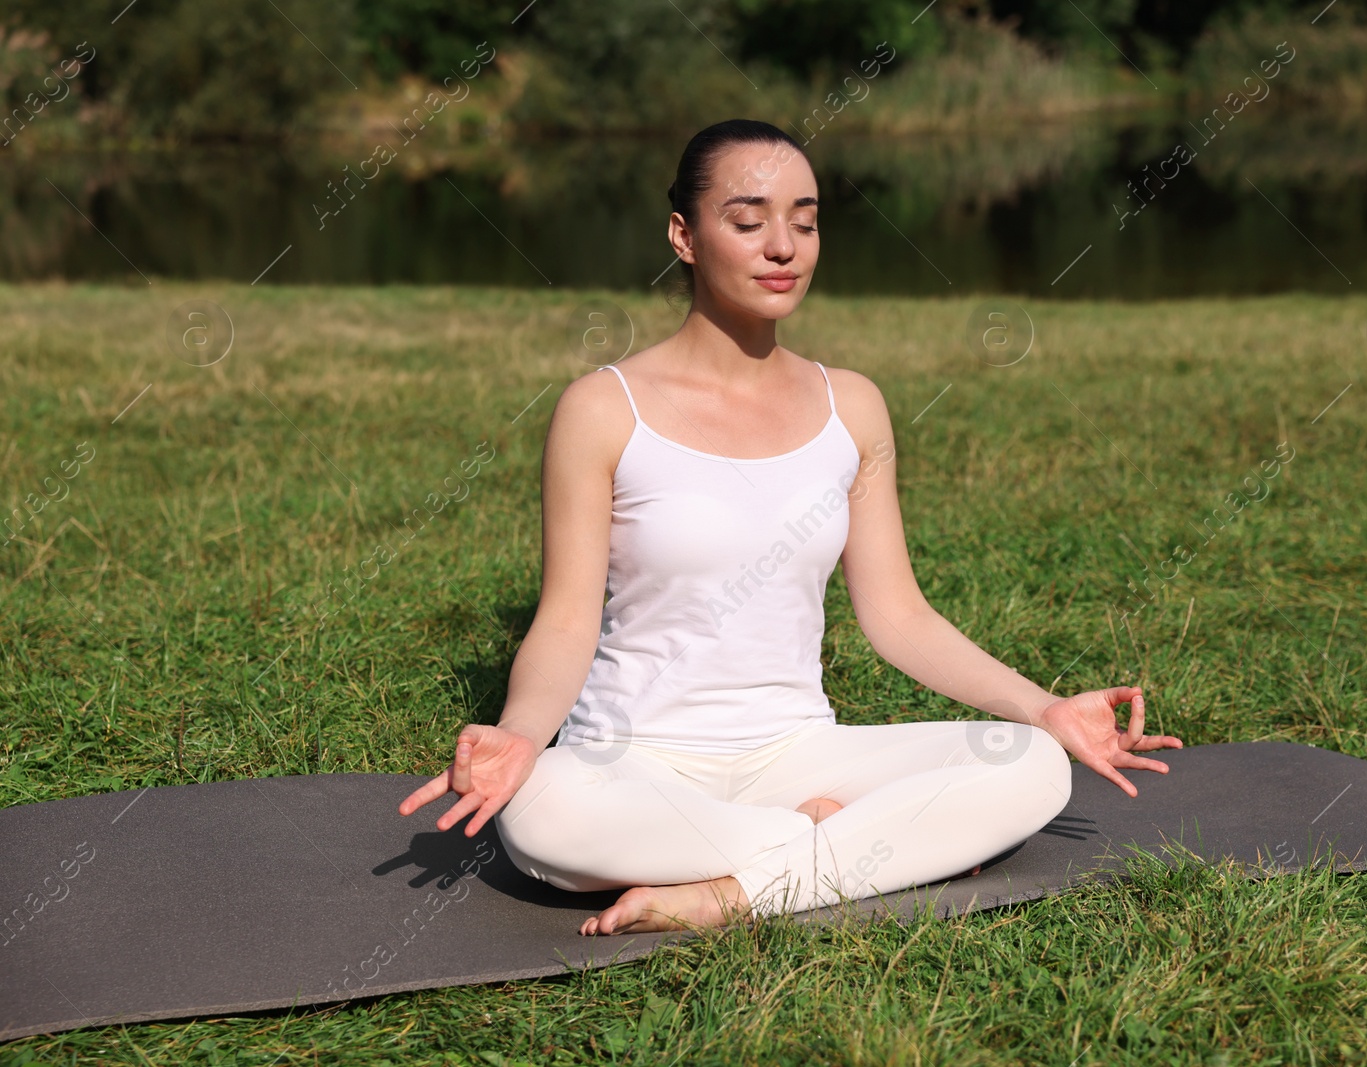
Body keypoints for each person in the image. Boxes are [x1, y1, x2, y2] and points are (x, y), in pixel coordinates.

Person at [399, 119, 1183, 936]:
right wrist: (522, 735)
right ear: (685, 236)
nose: (784, 247)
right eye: (748, 221)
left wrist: (1044, 708)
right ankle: (842, 846)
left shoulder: (853, 406)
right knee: (541, 814)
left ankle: (734, 892)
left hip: (796, 754)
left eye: (804, 222)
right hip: (636, 762)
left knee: (1030, 768)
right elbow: (565, 619)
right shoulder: (602, 409)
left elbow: (900, 615)